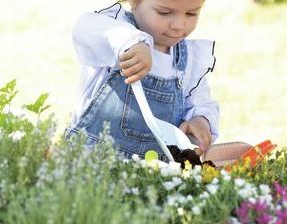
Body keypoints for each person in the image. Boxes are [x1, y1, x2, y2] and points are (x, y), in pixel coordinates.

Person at [65, 0, 219, 160]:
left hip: (154, 172)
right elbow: (83, 28)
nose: (179, 25)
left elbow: (201, 103)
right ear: (134, 2)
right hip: (92, 160)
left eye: (191, 13)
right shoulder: (114, 26)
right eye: (164, 13)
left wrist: (200, 120)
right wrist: (132, 43)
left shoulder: (189, 59)